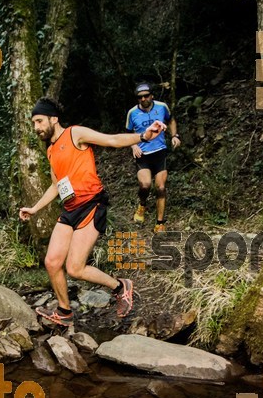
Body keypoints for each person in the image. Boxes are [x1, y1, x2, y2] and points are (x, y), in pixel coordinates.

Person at [20, 97, 166, 326]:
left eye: (39, 121)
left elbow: (112, 140)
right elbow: (56, 185)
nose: (36, 127)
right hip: (69, 209)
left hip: (91, 204)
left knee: (75, 268)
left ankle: (121, 286)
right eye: (33, 123)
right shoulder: (50, 151)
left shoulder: (75, 134)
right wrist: (35, 208)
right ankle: (64, 312)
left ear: (53, 119)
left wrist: (143, 137)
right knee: (51, 261)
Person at [125, 82, 180, 233]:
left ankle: (160, 223)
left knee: (161, 187)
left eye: (146, 96)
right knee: (145, 185)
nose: (143, 99)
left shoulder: (162, 107)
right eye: (140, 97)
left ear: (151, 96)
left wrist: (174, 135)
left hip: (160, 151)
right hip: (142, 154)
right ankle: (142, 205)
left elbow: (171, 120)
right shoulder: (132, 113)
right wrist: (133, 145)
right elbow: (128, 132)